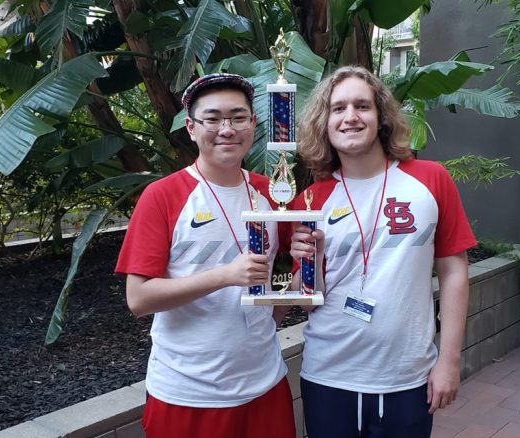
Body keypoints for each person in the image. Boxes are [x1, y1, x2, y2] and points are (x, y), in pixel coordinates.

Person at [288, 66, 476, 437]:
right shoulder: (310, 200)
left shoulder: (429, 179)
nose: (350, 117)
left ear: (382, 118)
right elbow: (307, 301)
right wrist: (312, 260)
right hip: (329, 374)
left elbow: (454, 271)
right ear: (324, 123)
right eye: (338, 108)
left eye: (362, 106)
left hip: (406, 376)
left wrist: (449, 361)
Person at [115, 73, 295, 438]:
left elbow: (292, 268)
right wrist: (224, 276)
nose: (226, 129)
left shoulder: (272, 191)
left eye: (238, 117)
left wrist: (274, 313)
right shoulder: (163, 195)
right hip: (188, 393)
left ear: (254, 124)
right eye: (212, 119)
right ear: (191, 128)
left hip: (265, 383)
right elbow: (138, 299)